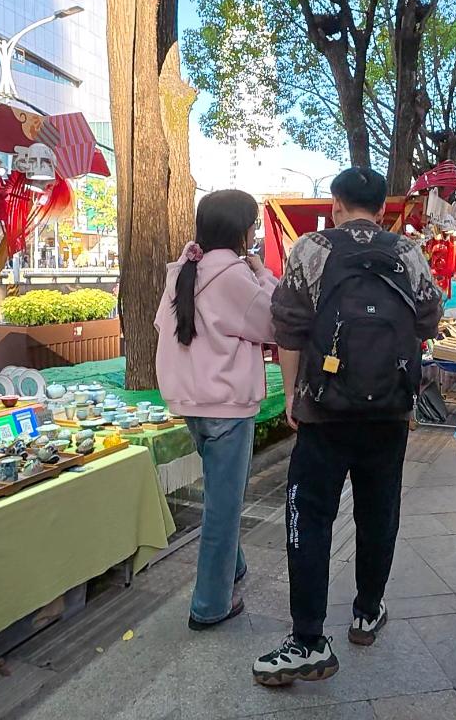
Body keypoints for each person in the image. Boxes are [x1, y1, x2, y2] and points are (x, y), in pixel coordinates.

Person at [254, 166, 442, 686]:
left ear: (335, 205)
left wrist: (294, 397)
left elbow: (288, 329)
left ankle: (309, 639)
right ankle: (366, 612)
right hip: (389, 413)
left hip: (324, 412)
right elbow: (428, 320)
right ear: (382, 210)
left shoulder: (311, 249)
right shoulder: (407, 252)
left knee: (310, 518)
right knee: (378, 514)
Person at [153, 189, 277, 630]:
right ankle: (209, 605)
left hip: (190, 401)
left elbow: (165, 326)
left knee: (220, 497)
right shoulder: (234, 276)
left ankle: (233, 567)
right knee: (223, 507)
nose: (255, 231)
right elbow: (275, 322)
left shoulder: (184, 268)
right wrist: (263, 273)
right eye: (253, 223)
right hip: (227, 405)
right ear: (240, 229)